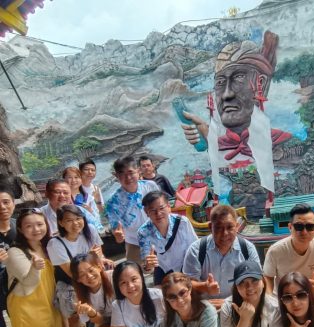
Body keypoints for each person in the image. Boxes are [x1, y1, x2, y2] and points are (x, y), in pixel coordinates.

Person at [181, 31, 291, 196]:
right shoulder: (219, 144)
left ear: (260, 84)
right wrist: (205, 134)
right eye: (220, 82)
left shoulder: (286, 144)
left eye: (239, 78)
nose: (226, 95)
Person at [5, 208, 78, 327]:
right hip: (27, 304)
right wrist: (35, 268)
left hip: (48, 299)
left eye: (39, 224)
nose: (36, 229)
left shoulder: (48, 245)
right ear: (20, 229)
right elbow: (28, 281)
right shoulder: (15, 252)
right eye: (29, 226)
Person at [47, 205, 106, 327]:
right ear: (61, 223)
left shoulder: (90, 230)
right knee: (74, 316)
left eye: (78, 218)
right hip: (70, 282)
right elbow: (71, 272)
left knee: (101, 309)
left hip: (92, 277)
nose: (75, 223)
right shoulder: (55, 243)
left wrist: (100, 260)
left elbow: (99, 257)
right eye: (69, 220)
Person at [263, 204, 314, 313]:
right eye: (299, 226)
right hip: (287, 296)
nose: (304, 232)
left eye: (310, 227)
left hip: (311, 291)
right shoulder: (275, 250)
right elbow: (267, 277)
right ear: (290, 227)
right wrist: (269, 299)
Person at [183, 204, 260, 308]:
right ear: (210, 227)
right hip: (206, 308)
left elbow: (257, 282)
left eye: (230, 227)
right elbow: (186, 284)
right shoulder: (196, 250)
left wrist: (228, 303)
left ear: (237, 226)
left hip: (237, 306)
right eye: (218, 228)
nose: (225, 233)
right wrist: (205, 287)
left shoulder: (247, 249)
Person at [105, 156, 159, 266]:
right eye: (122, 173)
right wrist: (118, 236)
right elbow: (117, 232)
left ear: (138, 171)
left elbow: (162, 208)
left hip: (159, 235)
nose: (128, 177)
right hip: (135, 242)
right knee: (136, 271)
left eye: (130, 172)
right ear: (116, 176)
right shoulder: (112, 202)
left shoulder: (150, 186)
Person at [138, 191, 197, 285]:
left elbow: (195, 248)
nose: (158, 213)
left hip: (186, 266)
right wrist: (149, 266)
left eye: (161, 208)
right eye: (153, 210)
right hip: (163, 270)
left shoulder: (183, 222)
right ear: (146, 212)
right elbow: (147, 264)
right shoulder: (143, 232)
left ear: (169, 207)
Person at [0, 185, 24, 327]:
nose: (2, 207)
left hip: (18, 289)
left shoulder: (21, 227)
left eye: (6, 202)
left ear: (13, 204)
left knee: (24, 325)